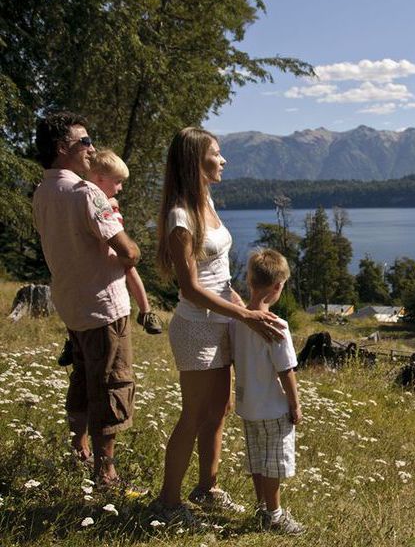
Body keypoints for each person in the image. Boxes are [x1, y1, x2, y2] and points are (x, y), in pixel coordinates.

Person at [151, 127, 285, 525]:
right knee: (193, 415)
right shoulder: (180, 215)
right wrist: (244, 315)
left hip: (223, 319)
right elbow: (191, 288)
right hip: (197, 328)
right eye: (216, 153)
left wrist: (241, 303)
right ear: (196, 161)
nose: (223, 160)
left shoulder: (205, 199)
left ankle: (207, 488)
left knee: (220, 410)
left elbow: (217, 273)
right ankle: (167, 503)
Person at [32, 111, 141, 487]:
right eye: (85, 142)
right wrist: (132, 254)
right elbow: (125, 250)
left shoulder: (43, 193)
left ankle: (79, 448)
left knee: (81, 377)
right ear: (63, 148)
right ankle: (105, 470)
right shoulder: (87, 193)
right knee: (112, 382)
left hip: (71, 303)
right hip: (103, 304)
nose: (92, 148)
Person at [55, 150, 161, 367]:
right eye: (118, 182)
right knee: (130, 267)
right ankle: (146, 311)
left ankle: (145, 312)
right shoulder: (92, 197)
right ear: (100, 179)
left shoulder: (79, 195)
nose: (120, 188)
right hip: (106, 260)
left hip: (86, 270)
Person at [232, 249, 305, 535]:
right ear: (277, 288)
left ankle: (262, 507)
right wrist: (295, 404)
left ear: (250, 282)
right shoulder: (277, 326)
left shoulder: (237, 321)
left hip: (248, 406)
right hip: (273, 408)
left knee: (257, 460)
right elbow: (286, 370)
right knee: (274, 463)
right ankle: (275, 515)